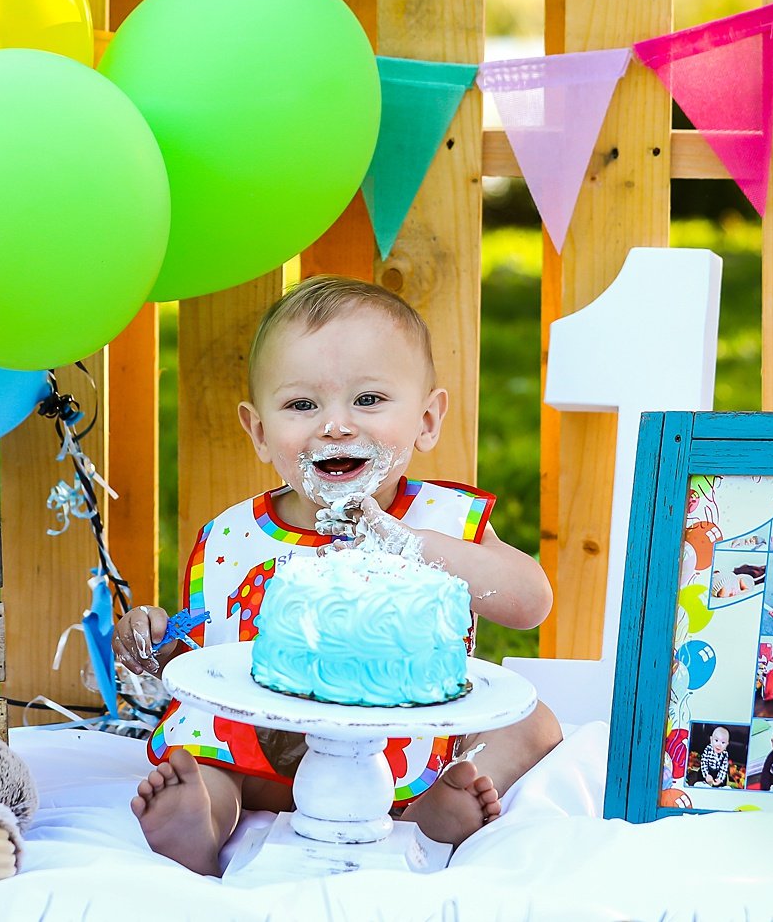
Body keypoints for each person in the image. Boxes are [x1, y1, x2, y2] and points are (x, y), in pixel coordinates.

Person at [113, 276, 563, 876]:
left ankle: (441, 799)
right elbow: (211, 653)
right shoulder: (234, 534)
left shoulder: (439, 523)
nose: (336, 425)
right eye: (302, 405)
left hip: (404, 747)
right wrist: (162, 641)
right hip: (264, 751)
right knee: (211, 761)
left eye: (369, 400)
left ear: (427, 420)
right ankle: (203, 819)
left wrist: (418, 546)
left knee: (531, 722)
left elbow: (530, 602)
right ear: (259, 431)